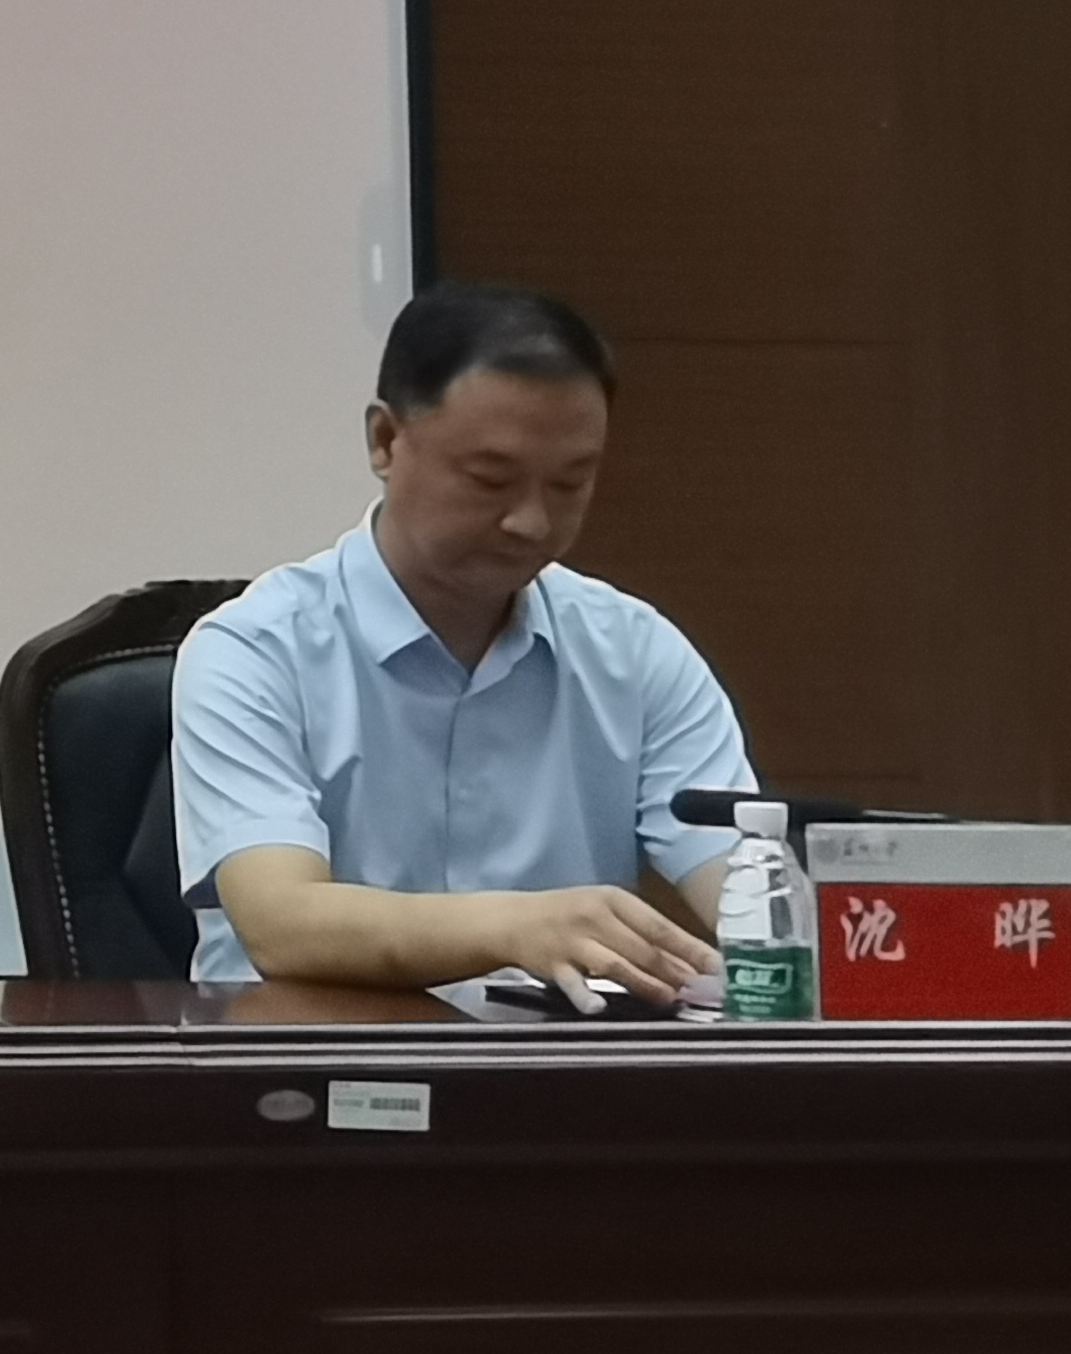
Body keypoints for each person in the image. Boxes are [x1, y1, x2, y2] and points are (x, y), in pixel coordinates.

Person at [172, 281, 749, 1009]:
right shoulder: (253, 652)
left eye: (569, 484)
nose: (531, 522)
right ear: (385, 440)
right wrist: (517, 926)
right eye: (490, 479)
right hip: (311, 1065)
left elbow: (749, 890)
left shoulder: (636, 653)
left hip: (560, 1070)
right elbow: (281, 923)